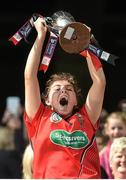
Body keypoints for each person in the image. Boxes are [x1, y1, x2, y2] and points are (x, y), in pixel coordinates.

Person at [23, 13, 106, 178]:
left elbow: (99, 82)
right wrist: (41, 37)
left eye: (69, 89)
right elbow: (29, 76)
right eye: (57, 89)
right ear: (46, 99)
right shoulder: (39, 118)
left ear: (76, 100)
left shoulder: (87, 117)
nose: (63, 91)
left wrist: (85, 44)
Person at [100, 111, 126, 179]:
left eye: (120, 128)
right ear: (107, 129)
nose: (116, 132)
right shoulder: (102, 156)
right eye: (113, 128)